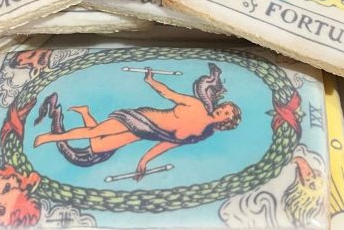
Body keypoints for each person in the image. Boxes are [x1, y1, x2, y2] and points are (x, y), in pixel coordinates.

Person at [34, 67, 241, 179]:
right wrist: (151, 81)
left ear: (226, 122)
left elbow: (166, 143)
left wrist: (144, 161)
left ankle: (85, 112)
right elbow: (169, 94)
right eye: (225, 107)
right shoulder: (196, 105)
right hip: (141, 118)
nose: (222, 110)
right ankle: (50, 137)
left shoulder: (201, 134)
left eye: (226, 114)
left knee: (98, 146)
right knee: (95, 132)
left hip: (146, 133)